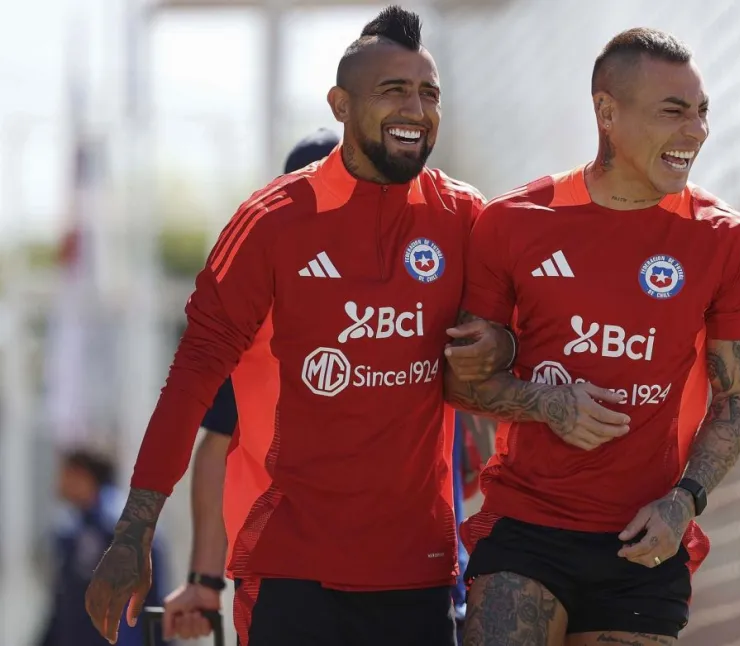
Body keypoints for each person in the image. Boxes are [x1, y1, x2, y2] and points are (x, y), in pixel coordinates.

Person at [84, 7, 514, 646]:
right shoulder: (271, 223)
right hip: (291, 573)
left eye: (429, 93)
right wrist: (135, 530)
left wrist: (499, 344)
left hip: (420, 576)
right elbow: (193, 385)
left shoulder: (466, 217)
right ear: (340, 104)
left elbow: (517, 346)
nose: (416, 108)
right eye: (393, 90)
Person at [445, 28, 740, 646]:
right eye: (673, 112)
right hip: (526, 529)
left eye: (702, 112)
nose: (696, 131)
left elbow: (738, 399)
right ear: (607, 113)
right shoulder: (514, 223)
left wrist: (685, 501)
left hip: (643, 542)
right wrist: (550, 404)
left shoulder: (725, 239)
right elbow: (458, 384)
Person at [160, 128, 341, 643]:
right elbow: (219, 444)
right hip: (285, 571)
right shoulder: (260, 312)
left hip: (402, 572)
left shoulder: (410, 295)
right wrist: (203, 578)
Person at [36, 449, 167, 646]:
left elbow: (150, 599)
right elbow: (65, 604)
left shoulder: (111, 526)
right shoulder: (77, 526)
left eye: (64, 474)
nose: (58, 483)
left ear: (82, 476)